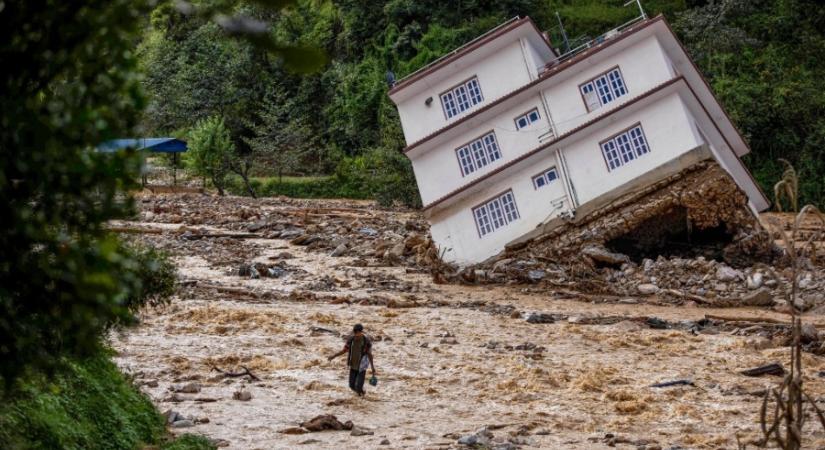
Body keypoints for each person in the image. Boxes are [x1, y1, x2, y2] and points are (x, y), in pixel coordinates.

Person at [328, 323, 375, 396]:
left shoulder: (366, 341)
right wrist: (334, 356)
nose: (356, 334)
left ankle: (361, 398)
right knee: (351, 385)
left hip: (361, 366)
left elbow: (369, 354)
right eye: (355, 332)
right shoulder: (351, 340)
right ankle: (362, 395)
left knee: (359, 387)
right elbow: (344, 350)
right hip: (353, 365)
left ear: (361, 332)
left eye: (358, 332)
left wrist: (372, 367)